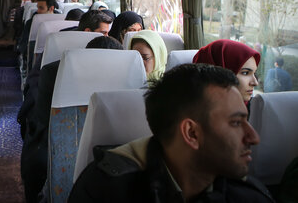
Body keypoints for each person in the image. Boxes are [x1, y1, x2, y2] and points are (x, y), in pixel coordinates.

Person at [69, 64, 274, 203]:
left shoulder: (247, 194)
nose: (254, 137)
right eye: (236, 123)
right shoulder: (104, 192)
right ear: (191, 133)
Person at [21, 36, 123, 202]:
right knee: (37, 163)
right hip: (57, 142)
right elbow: (43, 119)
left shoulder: (130, 86)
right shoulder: (53, 74)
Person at [193, 39, 260, 106]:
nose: (255, 83)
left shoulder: (251, 109)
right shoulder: (195, 114)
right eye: (245, 73)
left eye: (254, 73)